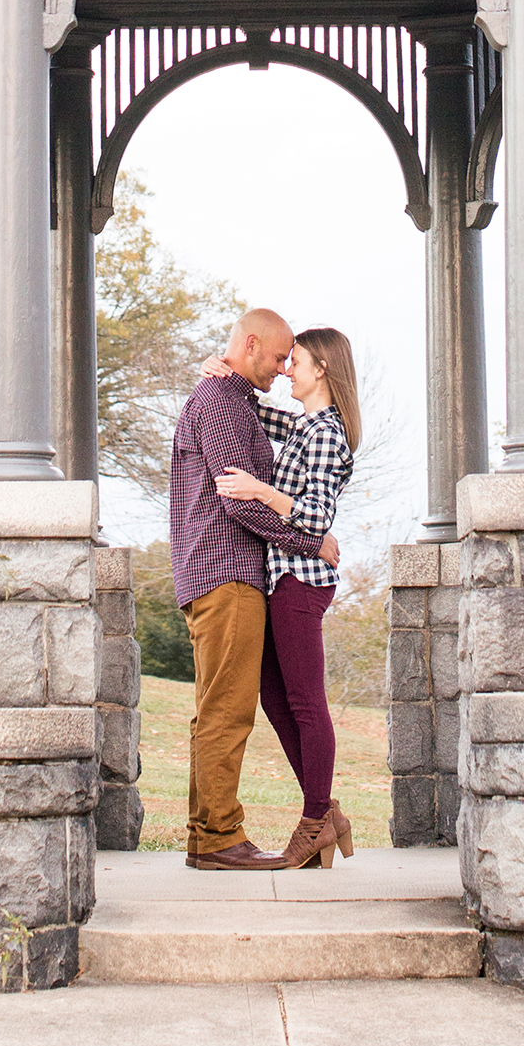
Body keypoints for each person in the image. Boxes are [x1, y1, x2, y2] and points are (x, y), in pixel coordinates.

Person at [169, 307, 340, 872]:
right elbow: (236, 499)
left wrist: (304, 529)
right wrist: (308, 540)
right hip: (227, 572)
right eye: (276, 357)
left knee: (221, 708)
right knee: (227, 710)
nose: (282, 368)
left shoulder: (235, 401)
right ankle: (219, 837)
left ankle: (208, 835)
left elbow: (309, 436)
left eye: (293, 361)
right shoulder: (220, 402)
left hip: (238, 573)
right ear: (249, 345)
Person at [208, 326, 361, 872]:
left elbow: (316, 519)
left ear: (322, 368)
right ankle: (326, 812)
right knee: (273, 695)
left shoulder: (327, 433)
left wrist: (261, 491)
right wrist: (229, 376)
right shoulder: (304, 426)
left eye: (293, 363)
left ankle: (315, 819)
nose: (285, 371)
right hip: (281, 578)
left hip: (301, 582)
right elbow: (256, 419)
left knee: (305, 702)